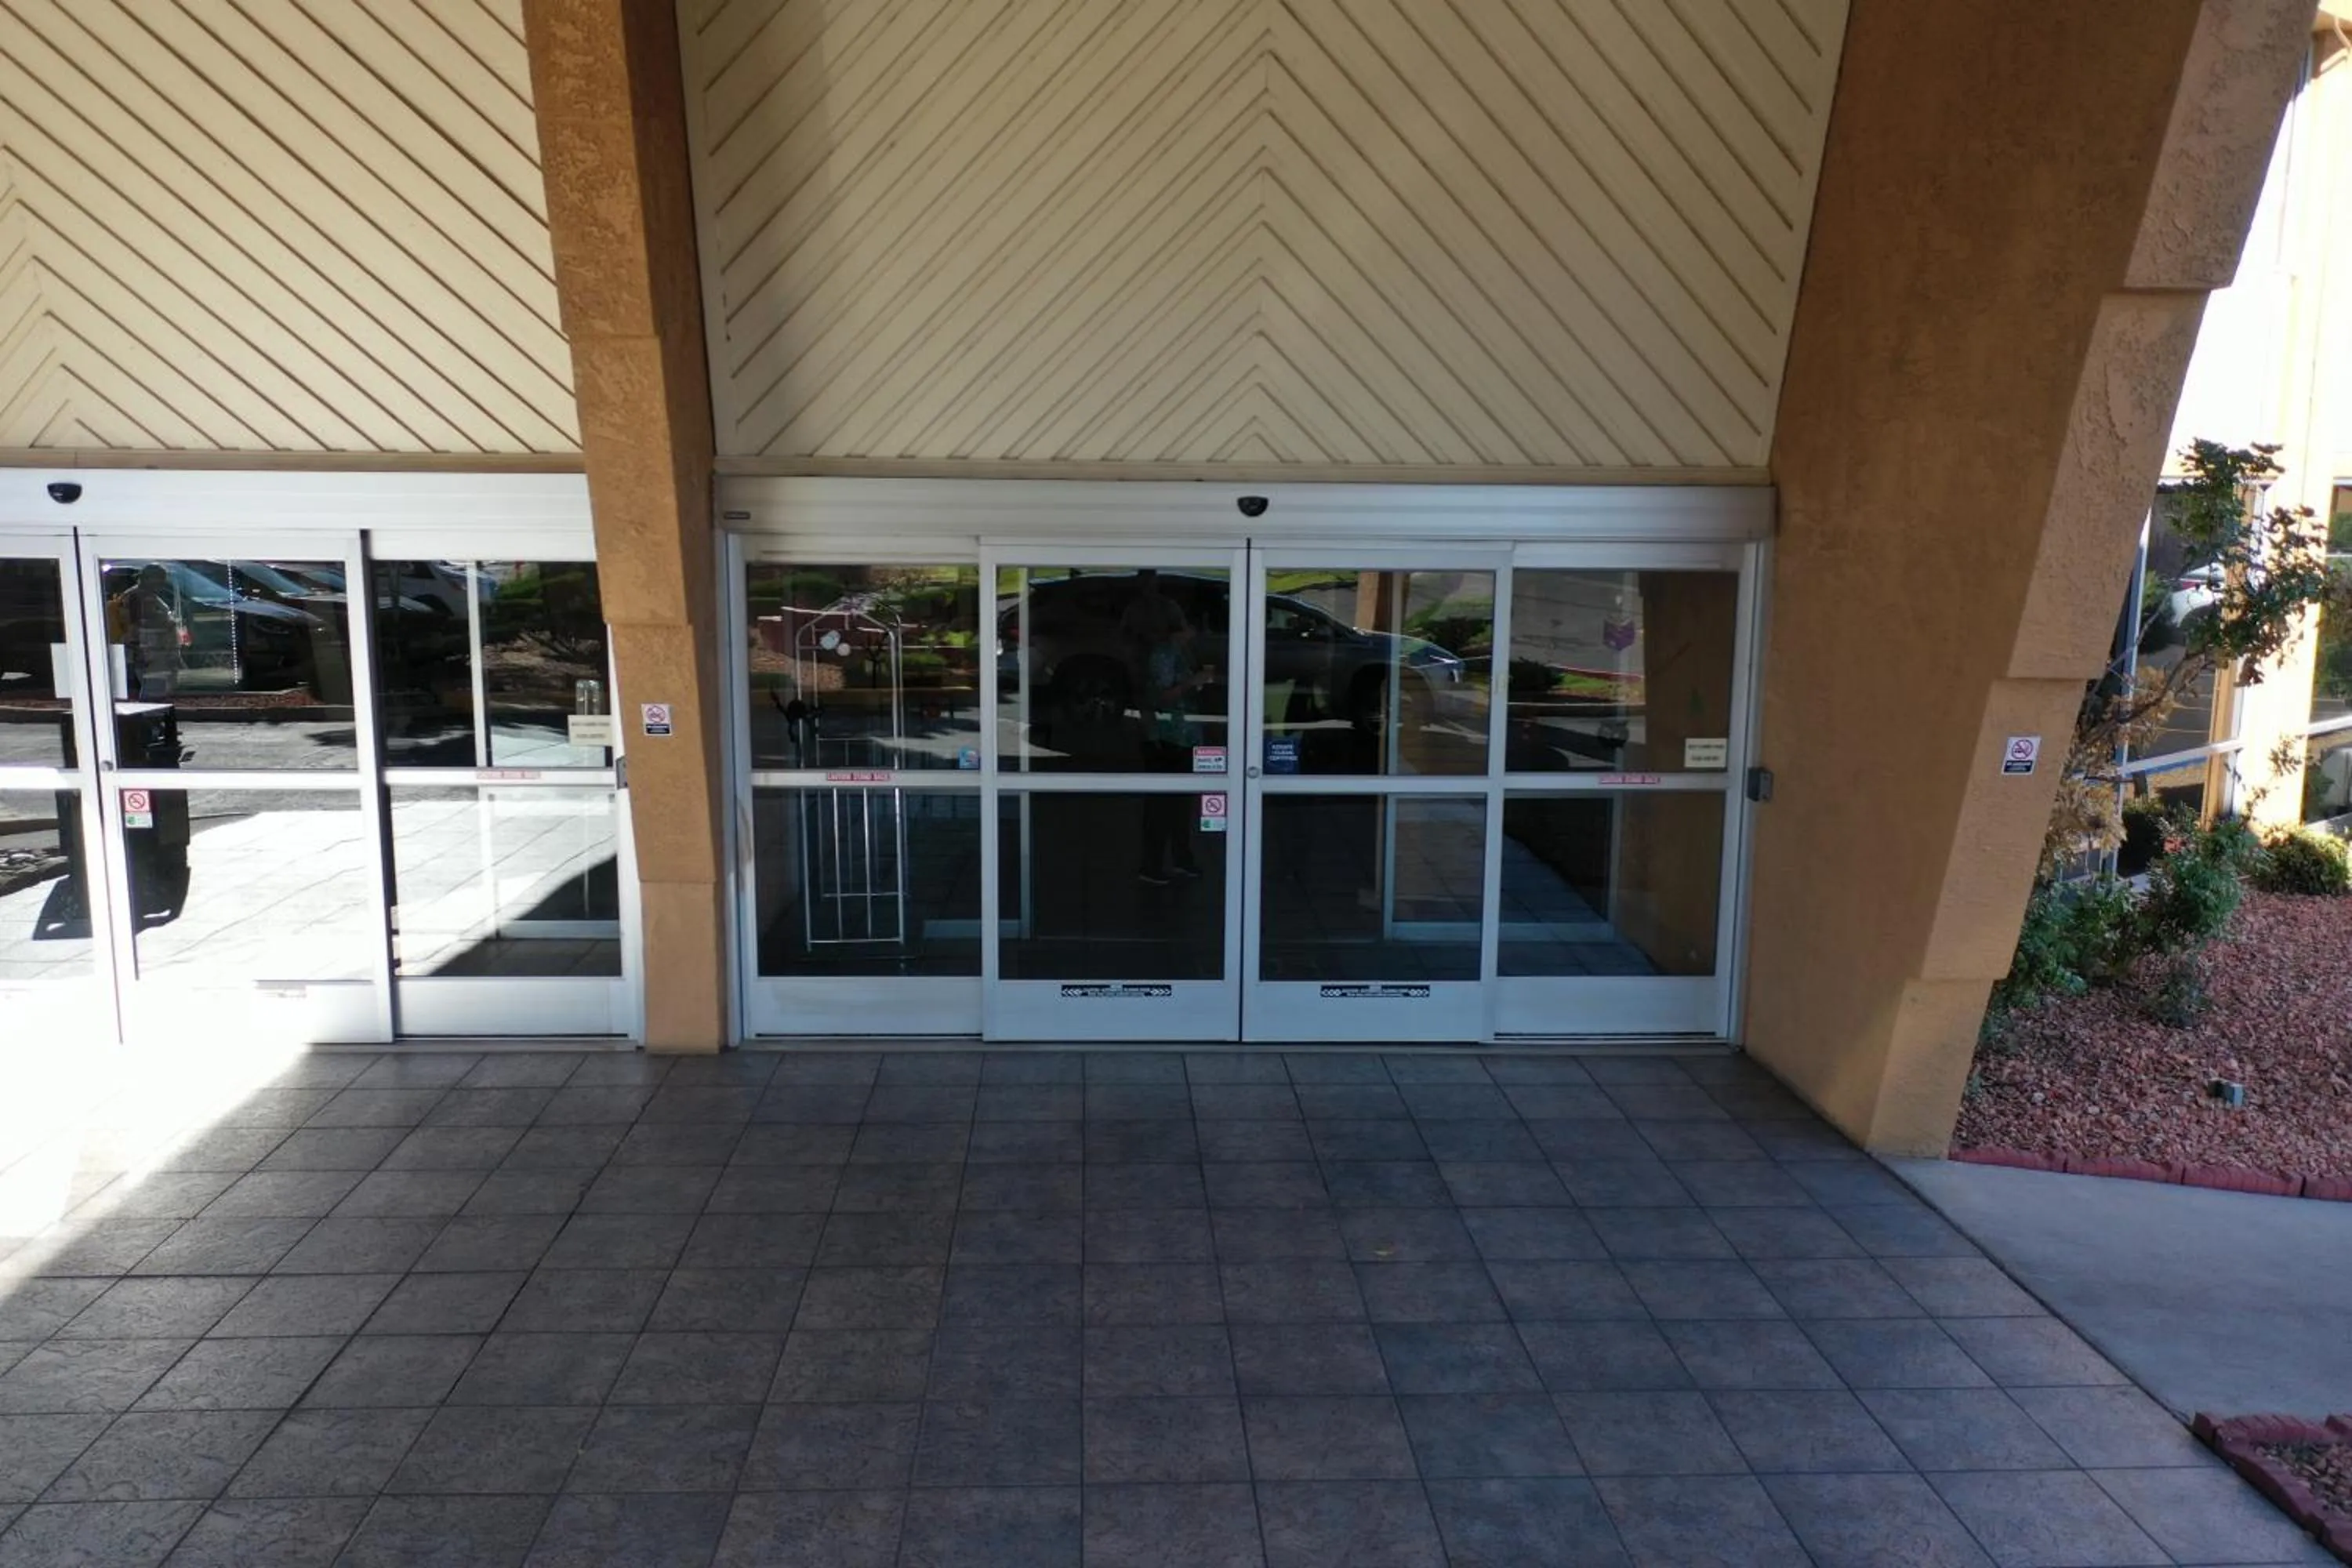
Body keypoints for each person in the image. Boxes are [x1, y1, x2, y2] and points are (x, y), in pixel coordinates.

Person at [1136, 609, 1207, 885]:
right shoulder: (1164, 655)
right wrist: (1193, 682)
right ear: (1181, 628)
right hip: (1167, 740)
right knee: (1161, 808)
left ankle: (1181, 859)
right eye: (1192, 625)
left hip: (1183, 738)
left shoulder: (1181, 652)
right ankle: (1152, 865)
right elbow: (1162, 698)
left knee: (1179, 806)